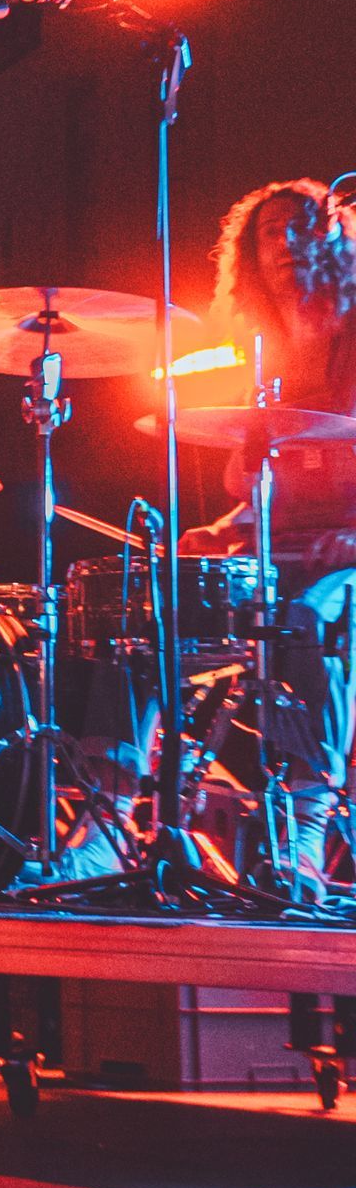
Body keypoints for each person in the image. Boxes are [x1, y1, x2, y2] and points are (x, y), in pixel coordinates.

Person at [183, 178, 356, 892]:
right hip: (280, 549)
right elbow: (259, 485)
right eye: (268, 233)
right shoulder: (260, 356)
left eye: (298, 229)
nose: (283, 244)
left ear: (330, 238)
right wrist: (223, 530)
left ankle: (308, 825)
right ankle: (110, 815)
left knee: (303, 617)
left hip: (346, 555)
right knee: (148, 611)